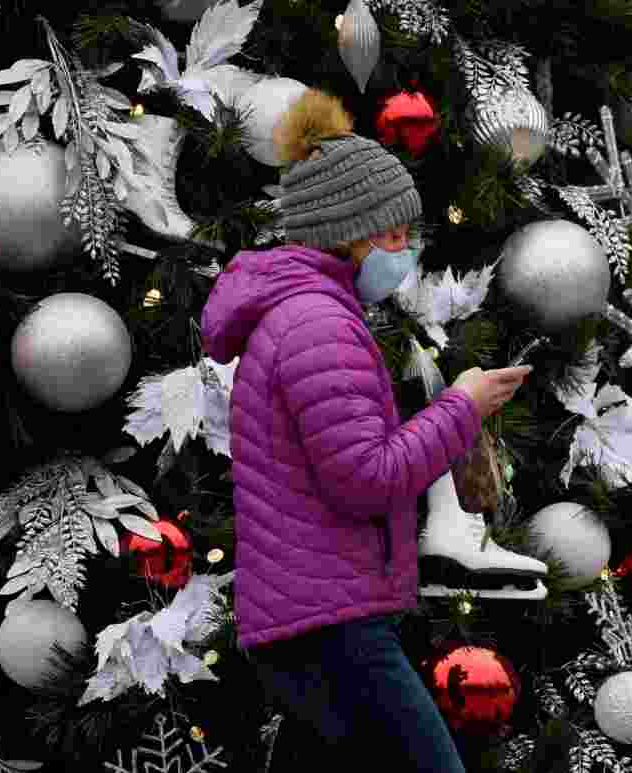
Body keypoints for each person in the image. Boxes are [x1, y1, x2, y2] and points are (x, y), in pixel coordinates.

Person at [201, 88, 532, 771]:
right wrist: (463, 407)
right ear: (346, 235)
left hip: (313, 616)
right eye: (393, 236)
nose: (404, 252)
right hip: (333, 624)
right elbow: (365, 479)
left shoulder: (302, 313)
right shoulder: (319, 325)